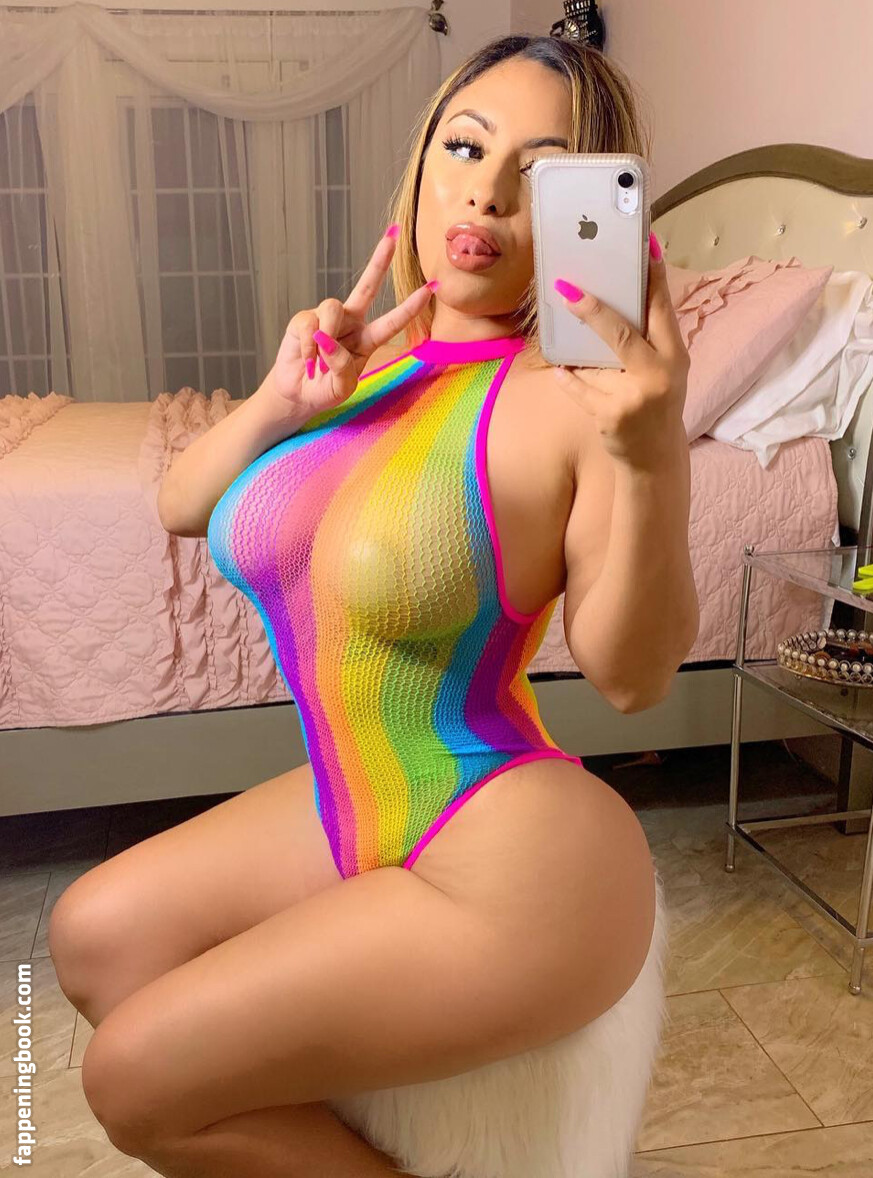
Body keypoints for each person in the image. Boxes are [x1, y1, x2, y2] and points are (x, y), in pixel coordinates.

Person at [49, 33, 697, 1177]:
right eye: (466, 147)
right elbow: (182, 502)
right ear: (423, 163)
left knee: (129, 1079)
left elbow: (633, 676)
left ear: (590, 212)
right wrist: (280, 399)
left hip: (517, 850)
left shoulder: (576, 402)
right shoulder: (374, 362)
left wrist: (652, 456)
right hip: (356, 796)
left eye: (541, 172)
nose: (487, 194)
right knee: (90, 936)